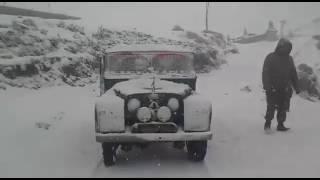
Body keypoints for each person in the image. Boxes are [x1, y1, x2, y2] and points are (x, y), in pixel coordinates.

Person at [262, 38, 300, 131]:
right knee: (271, 106)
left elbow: (293, 74)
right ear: (280, 46)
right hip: (272, 87)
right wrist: (267, 86)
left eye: (288, 48)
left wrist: (297, 87)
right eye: (285, 47)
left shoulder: (289, 59)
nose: (286, 49)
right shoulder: (270, 57)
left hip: (285, 88)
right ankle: (267, 124)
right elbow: (265, 73)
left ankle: (280, 124)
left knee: (283, 107)